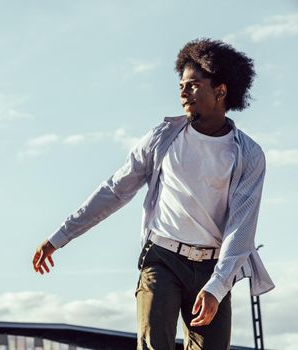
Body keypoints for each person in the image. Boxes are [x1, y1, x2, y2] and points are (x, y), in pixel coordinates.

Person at [32, 38, 275, 350]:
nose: (183, 92)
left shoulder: (248, 155)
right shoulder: (163, 138)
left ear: (221, 91)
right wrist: (60, 236)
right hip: (162, 259)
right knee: (153, 343)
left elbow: (242, 228)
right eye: (181, 85)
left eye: (193, 85)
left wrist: (216, 286)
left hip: (213, 266)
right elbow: (115, 190)